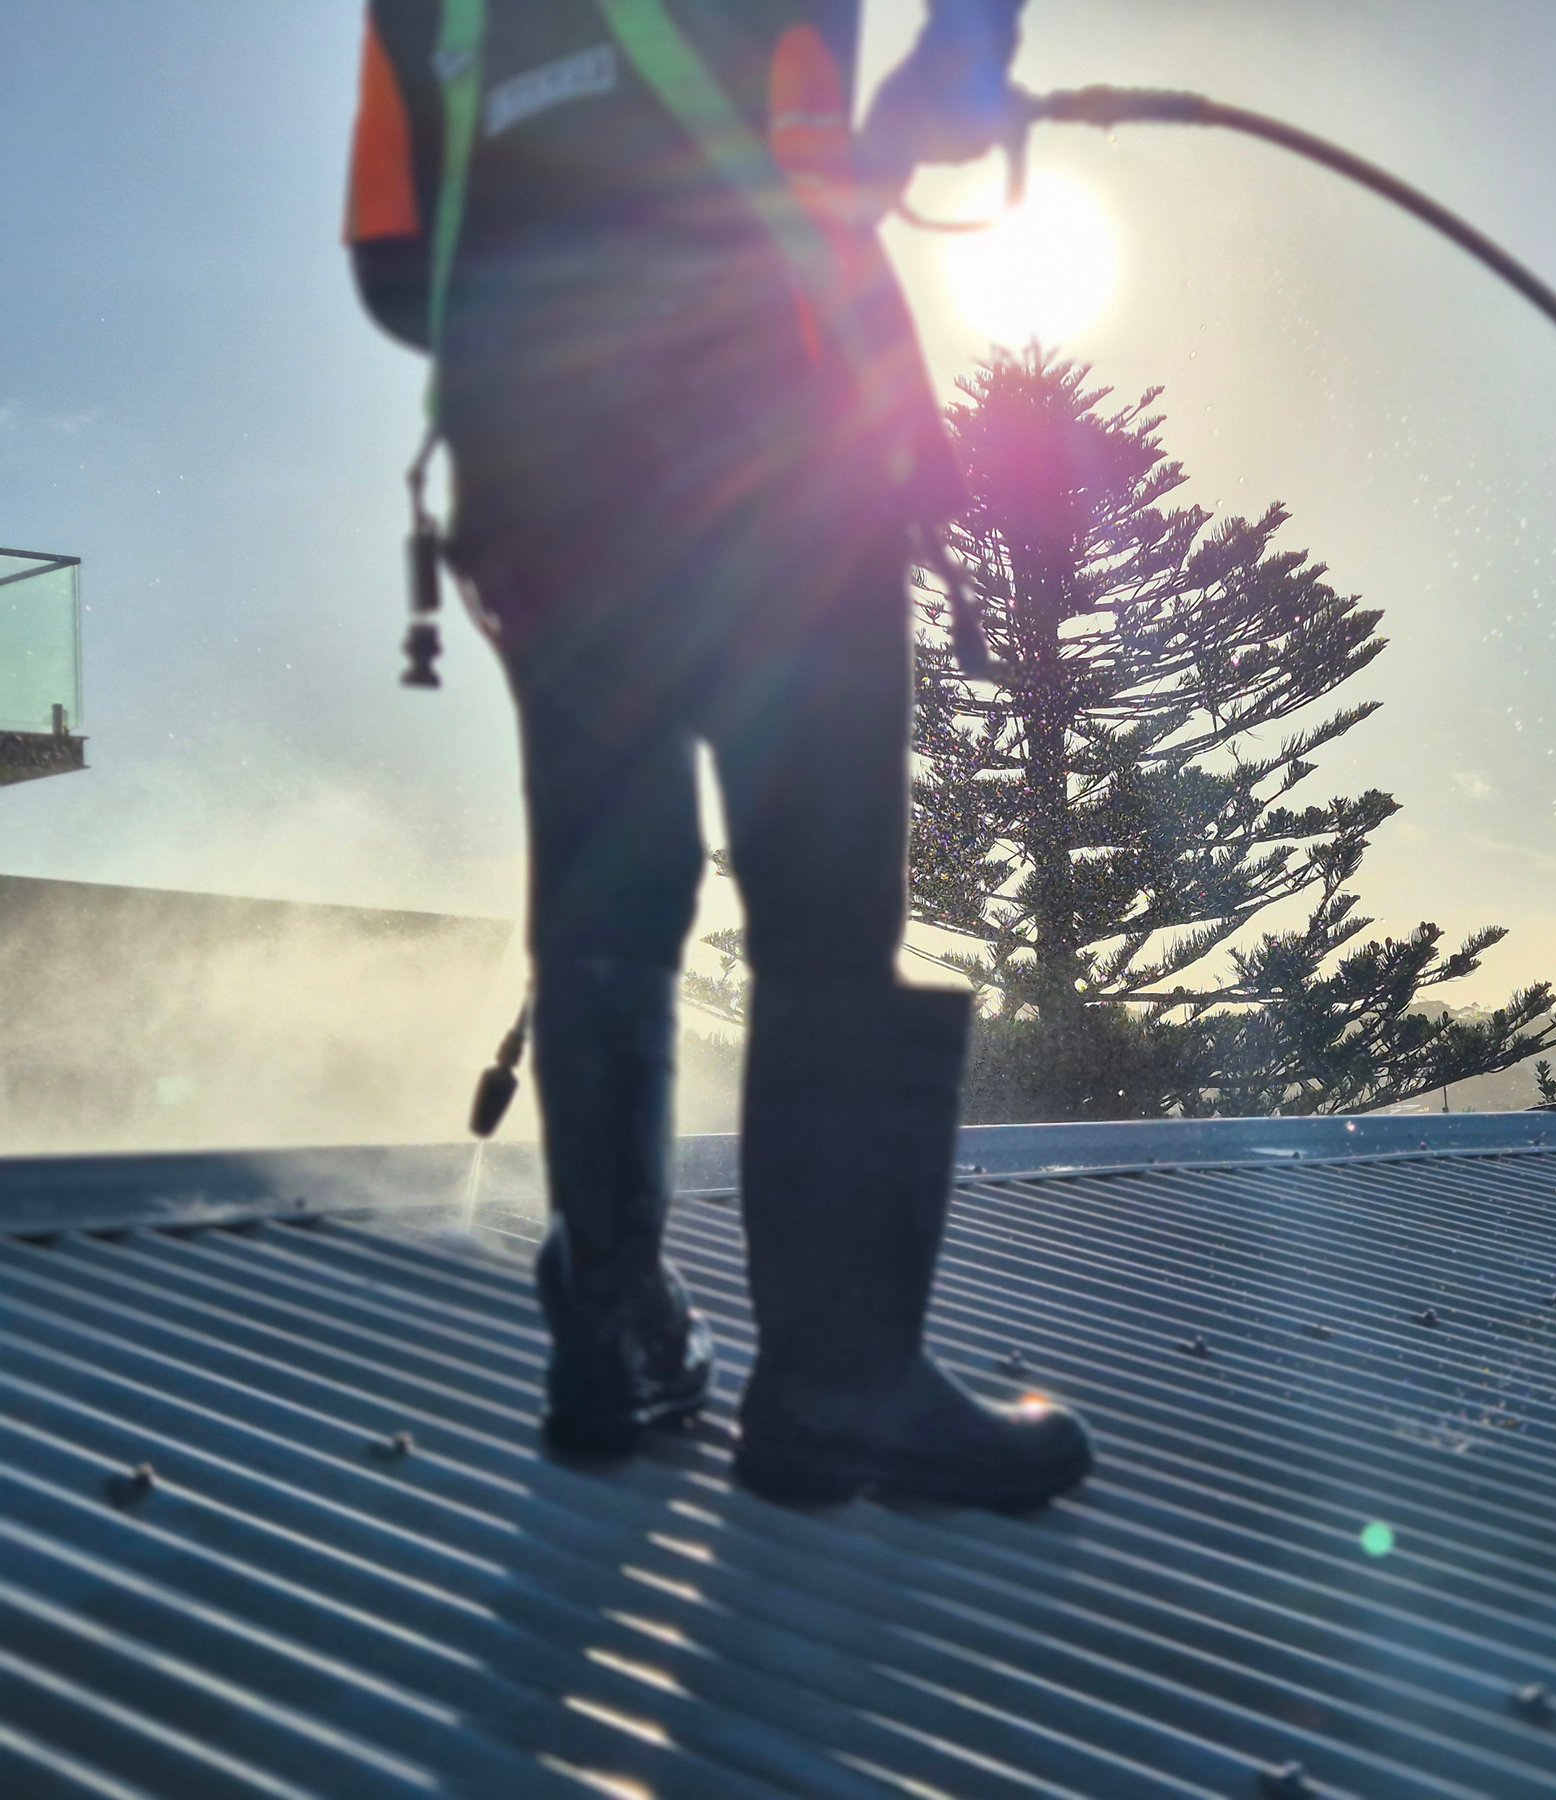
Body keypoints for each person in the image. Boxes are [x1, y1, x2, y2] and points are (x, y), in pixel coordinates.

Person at [343, 0, 1093, 1510]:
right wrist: (960, 58)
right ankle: (835, 1392)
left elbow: (392, 263)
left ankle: (613, 1327)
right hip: (779, 465)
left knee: (607, 903)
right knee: (823, 914)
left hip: (542, 492)